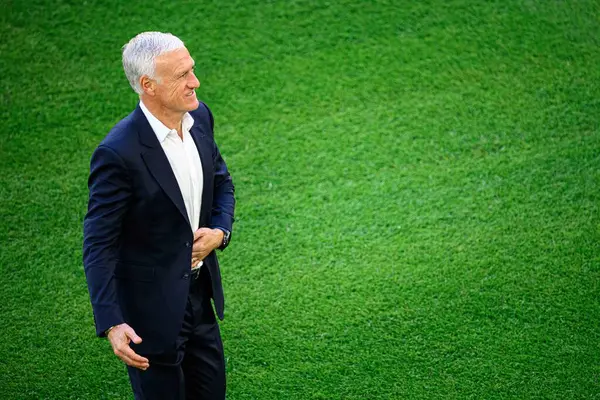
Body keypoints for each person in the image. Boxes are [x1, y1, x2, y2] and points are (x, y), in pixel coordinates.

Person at [83, 31, 235, 399]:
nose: (195, 82)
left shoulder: (199, 120)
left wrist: (220, 232)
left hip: (199, 298)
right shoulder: (118, 153)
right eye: (182, 75)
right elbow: (99, 243)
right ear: (148, 85)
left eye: (192, 70)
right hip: (149, 314)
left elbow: (223, 183)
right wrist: (112, 322)